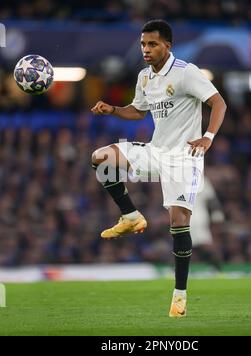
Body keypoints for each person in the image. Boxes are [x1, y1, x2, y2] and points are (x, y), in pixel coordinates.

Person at [91, 19, 227, 317]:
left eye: (152, 44)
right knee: (101, 157)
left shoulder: (185, 72)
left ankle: (179, 296)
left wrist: (207, 137)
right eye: (143, 44)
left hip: (184, 158)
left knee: (178, 221)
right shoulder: (144, 77)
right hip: (156, 152)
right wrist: (113, 109)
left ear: (168, 45)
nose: (146, 49)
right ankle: (130, 216)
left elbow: (219, 104)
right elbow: (139, 111)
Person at [190, 176, 225, 269]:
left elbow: (211, 199)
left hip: (196, 217)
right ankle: (217, 268)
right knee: (190, 245)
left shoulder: (200, 180)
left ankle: (217, 268)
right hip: (190, 216)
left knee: (203, 245)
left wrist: (217, 215)